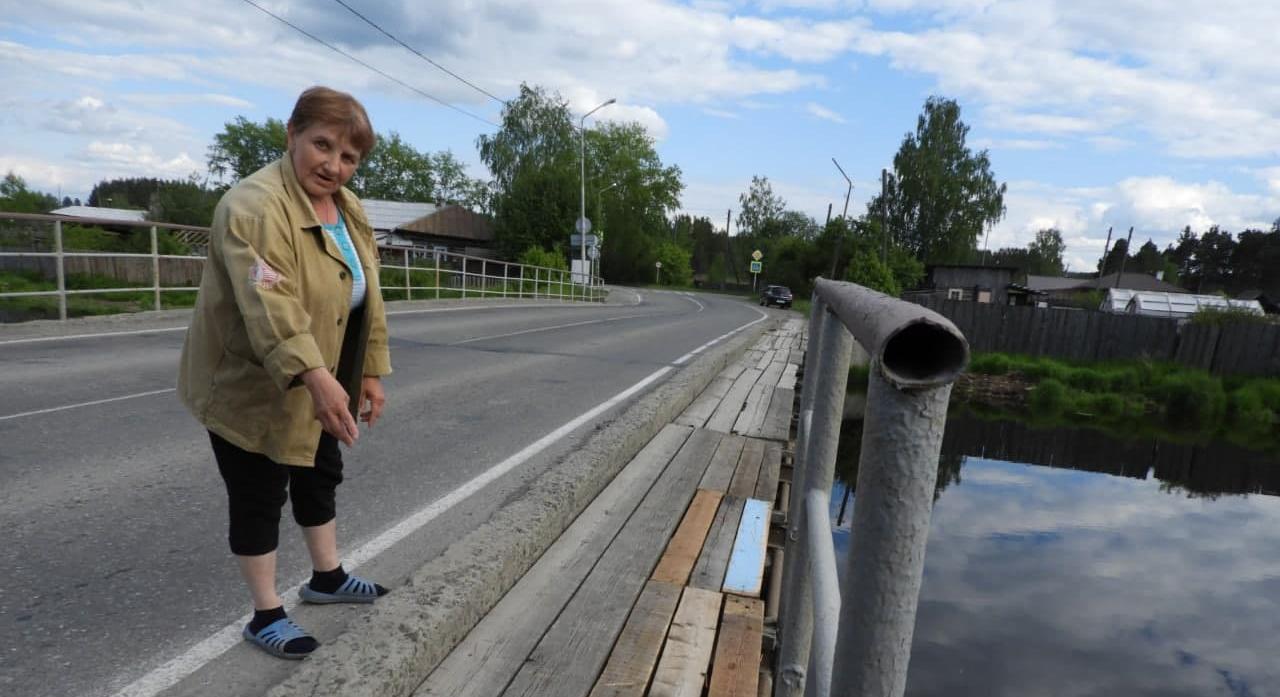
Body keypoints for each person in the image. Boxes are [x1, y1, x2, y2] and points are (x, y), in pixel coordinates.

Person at [178, 86, 392, 659]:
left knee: (319, 472)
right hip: (252, 382)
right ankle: (266, 613)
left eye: (349, 157)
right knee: (259, 491)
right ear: (291, 133)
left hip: (321, 376)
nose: (333, 165)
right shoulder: (253, 207)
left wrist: (369, 372)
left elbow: (366, 292)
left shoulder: (348, 208)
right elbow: (270, 305)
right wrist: (317, 379)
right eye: (322, 145)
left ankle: (327, 579)